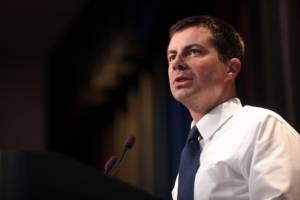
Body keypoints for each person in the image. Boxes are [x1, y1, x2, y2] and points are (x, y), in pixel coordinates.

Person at [167, 15, 300, 200]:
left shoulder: (261, 127)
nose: (176, 63)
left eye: (193, 52)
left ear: (231, 68)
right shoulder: (190, 157)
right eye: (172, 56)